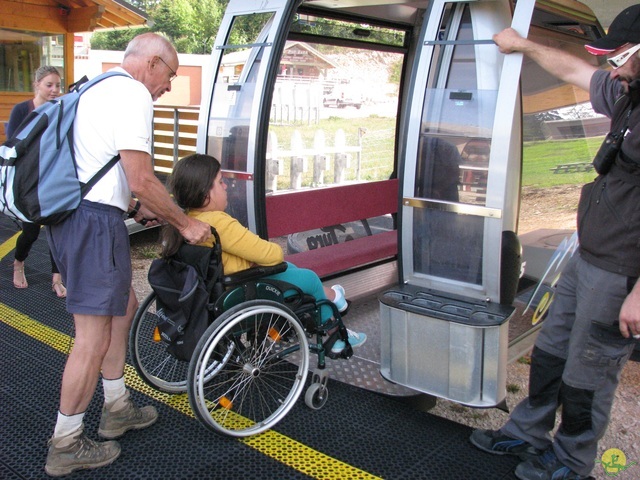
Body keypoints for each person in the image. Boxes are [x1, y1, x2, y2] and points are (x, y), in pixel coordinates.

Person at [469, 6, 640, 480]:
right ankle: (526, 434)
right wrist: (522, 46)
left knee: (590, 373)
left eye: (621, 58)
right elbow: (577, 70)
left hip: (621, 270)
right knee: (551, 353)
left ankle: (571, 462)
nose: (612, 69)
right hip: (588, 256)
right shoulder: (630, 91)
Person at [43, 33, 211, 477]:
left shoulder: (95, 88)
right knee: (92, 336)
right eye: (170, 75)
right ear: (152, 63)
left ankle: (116, 406)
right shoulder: (133, 93)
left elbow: (104, 168)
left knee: (124, 306)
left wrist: (134, 208)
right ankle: (66, 442)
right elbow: (142, 177)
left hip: (78, 216)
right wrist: (185, 223)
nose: (169, 86)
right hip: (93, 223)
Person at [161, 153, 367, 355]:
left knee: (292, 269)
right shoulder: (219, 222)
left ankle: (334, 296)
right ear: (206, 193)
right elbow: (272, 255)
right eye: (221, 181)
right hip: (243, 290)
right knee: (309, 279)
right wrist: (264, 252)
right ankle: (336, 334)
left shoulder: (187, 221)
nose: (225, 187)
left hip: (215, 288)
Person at [6, 65, 67, 297]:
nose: (54, 90)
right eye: (49, 85)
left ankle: (57, 277)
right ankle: (19, 263)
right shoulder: (22, 110)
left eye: (58, 85)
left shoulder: (59, 110)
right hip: (30, 182)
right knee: (31, 231)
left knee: (56, 229)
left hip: (53, 178)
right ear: (37, 85)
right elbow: (13, 145)